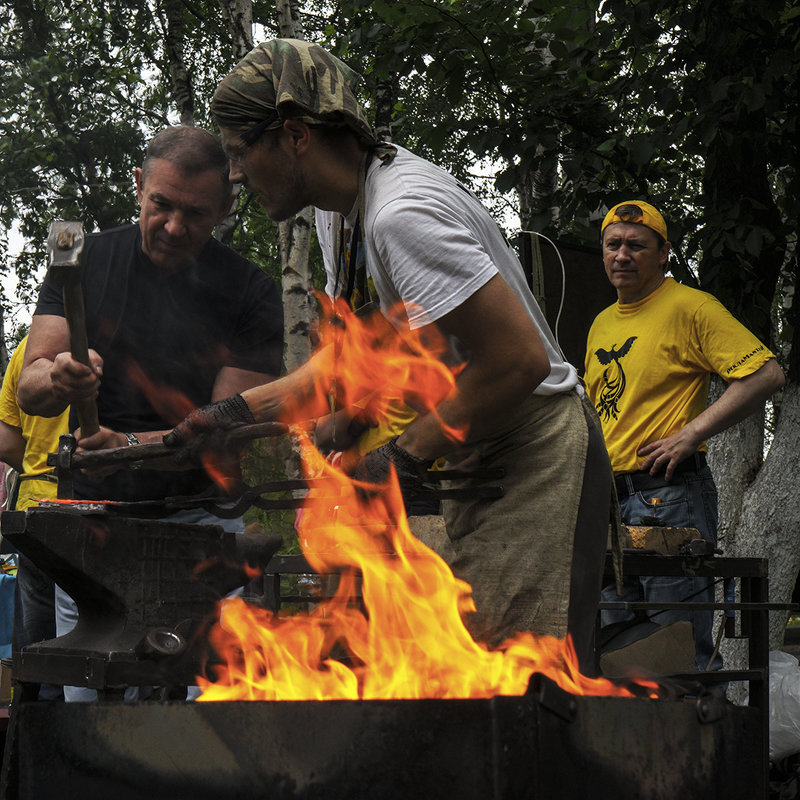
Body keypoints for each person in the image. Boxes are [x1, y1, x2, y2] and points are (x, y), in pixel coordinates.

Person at [163, 38, 615, 674]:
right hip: (481, 451)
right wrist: (232, 413)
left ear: (294, 134)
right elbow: (363, 356)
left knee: (525, 694)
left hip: (536, 452)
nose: (234, 175)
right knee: (471, 685)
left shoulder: (402, 215)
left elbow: (518, 363)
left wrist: (397, 460)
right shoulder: (341, 215)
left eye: (239, 153)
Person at [18, 126, 284, 699]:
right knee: (90, 711)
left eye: (195, 213)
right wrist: (60, 374)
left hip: (203, 526)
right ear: (138, 186)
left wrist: (133, 450)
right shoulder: (83, 261)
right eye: (160, 204)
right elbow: (29, 388)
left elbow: (230, 428)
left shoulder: (252, 292)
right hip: (93, 530)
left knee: (206, 711)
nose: (173, 226)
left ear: (225, 209)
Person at [584, 200, 785, 672]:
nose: (622, 255)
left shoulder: (690, 307)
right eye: (613, 245)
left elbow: (766, 374)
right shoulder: (601, 323)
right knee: (619, 652)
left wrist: (690, 434)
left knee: (677, 656)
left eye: (637, 245)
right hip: (609, 506)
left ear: (664, 254)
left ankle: (704, 744)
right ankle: (635, 745)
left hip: (668, 496)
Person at [0, 335, 69, 700]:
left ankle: (30, 728)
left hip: (33, 508)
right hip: (96, 508)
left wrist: (36, 464)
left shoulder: (27, 350)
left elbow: (6, 441)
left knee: (33, 640)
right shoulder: (114, 337)